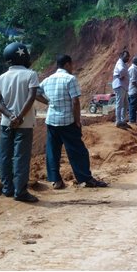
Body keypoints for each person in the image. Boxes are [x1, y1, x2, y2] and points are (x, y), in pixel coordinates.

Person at [38, 55, 108, 189]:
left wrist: (48, 102)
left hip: (51, 120)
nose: (72, 68)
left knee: (52, 151)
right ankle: (85, 179)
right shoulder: (70, 79)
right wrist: (77, 120)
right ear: (67, 64)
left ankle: (56, 181)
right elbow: (75, 101)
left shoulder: (48, 80)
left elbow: (35, 93)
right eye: (71, 65)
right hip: (67, 121)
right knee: (78, 151)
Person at [0, 42, 40, 202]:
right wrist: (19, 117)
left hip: (6, 123)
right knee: (21, 157)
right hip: (24, 124)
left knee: (4, 156)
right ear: (24, 57)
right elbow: (31, 96)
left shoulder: (2, 77)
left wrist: (10, 116)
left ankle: (7, 189)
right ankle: (20, 192)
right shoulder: (31, 74)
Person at [112, 49, 130, 128]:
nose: (127, 58)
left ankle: (123, 120)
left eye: (128, 57)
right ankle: (118, 121)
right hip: (120, 85)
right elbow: (121, 70)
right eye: (126, 56)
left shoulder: (124, 63)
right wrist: (121, 76)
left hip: (123, 86)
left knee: (125, 103)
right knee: (120, 103)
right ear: (122, 56)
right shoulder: (120, 63)